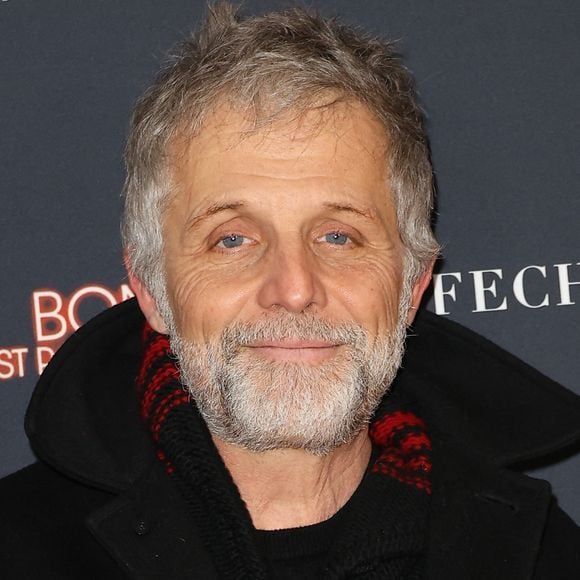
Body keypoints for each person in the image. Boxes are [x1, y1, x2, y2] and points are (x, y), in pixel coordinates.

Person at [1, 3, 579, 578]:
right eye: (232, 240)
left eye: (337, 235)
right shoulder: (20, 549)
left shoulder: (538, 556)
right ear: (152, 288)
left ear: (412, 284)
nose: (295, 288)